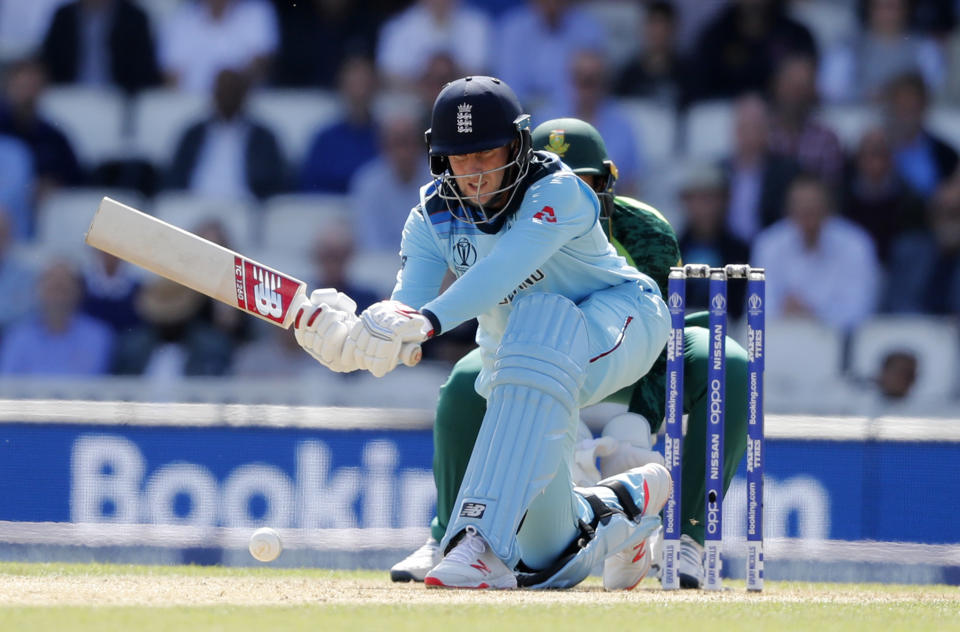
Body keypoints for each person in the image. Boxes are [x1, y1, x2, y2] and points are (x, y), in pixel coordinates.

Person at [293, 77, 672, 590]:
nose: (474, 172)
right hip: (520, 374)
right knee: (545, 557)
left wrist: (422, 323)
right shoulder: (431, 216)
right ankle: (624, 509)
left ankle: (477, 541)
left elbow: (501, 273)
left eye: (486, 154)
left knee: (540, 321)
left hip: (624, 322)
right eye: (460, 158)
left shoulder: (559, 190)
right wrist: (356, 341)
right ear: (439, 158)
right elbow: (408, 302)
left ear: (517, 146)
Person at [387, 117, 751, 590]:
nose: (577, 190)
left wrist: (638, 425)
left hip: (631, 355)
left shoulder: (644, 229)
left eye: (589, 182)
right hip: (532, 352)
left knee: (727, 360)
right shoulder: (511, 222)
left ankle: (686, 540)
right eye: (566, 178)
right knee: (463, 381)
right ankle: (448, 535)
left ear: (608, 182)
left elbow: (661, 328)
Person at [166, 68, 286, 201]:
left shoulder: (263, 138)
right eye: (223, 90)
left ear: (244, 94)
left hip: (246, 208)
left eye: (233, 90)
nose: (227, 95)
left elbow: (275, 183)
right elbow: (175, 178)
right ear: (214, 93)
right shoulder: (193, 135)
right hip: (194, 205)